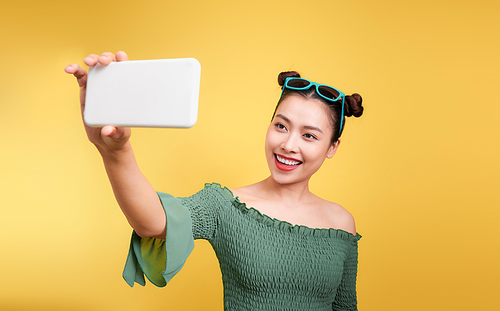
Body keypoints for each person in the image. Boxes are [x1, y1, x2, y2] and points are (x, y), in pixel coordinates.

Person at [65, 51, 364, 311]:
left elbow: (345, 307)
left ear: (332, 147)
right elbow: (154, 222)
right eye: (281, 126)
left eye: (309, 135)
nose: (288, 144)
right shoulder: (226, 205)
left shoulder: (341, 222)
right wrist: (116, 151)